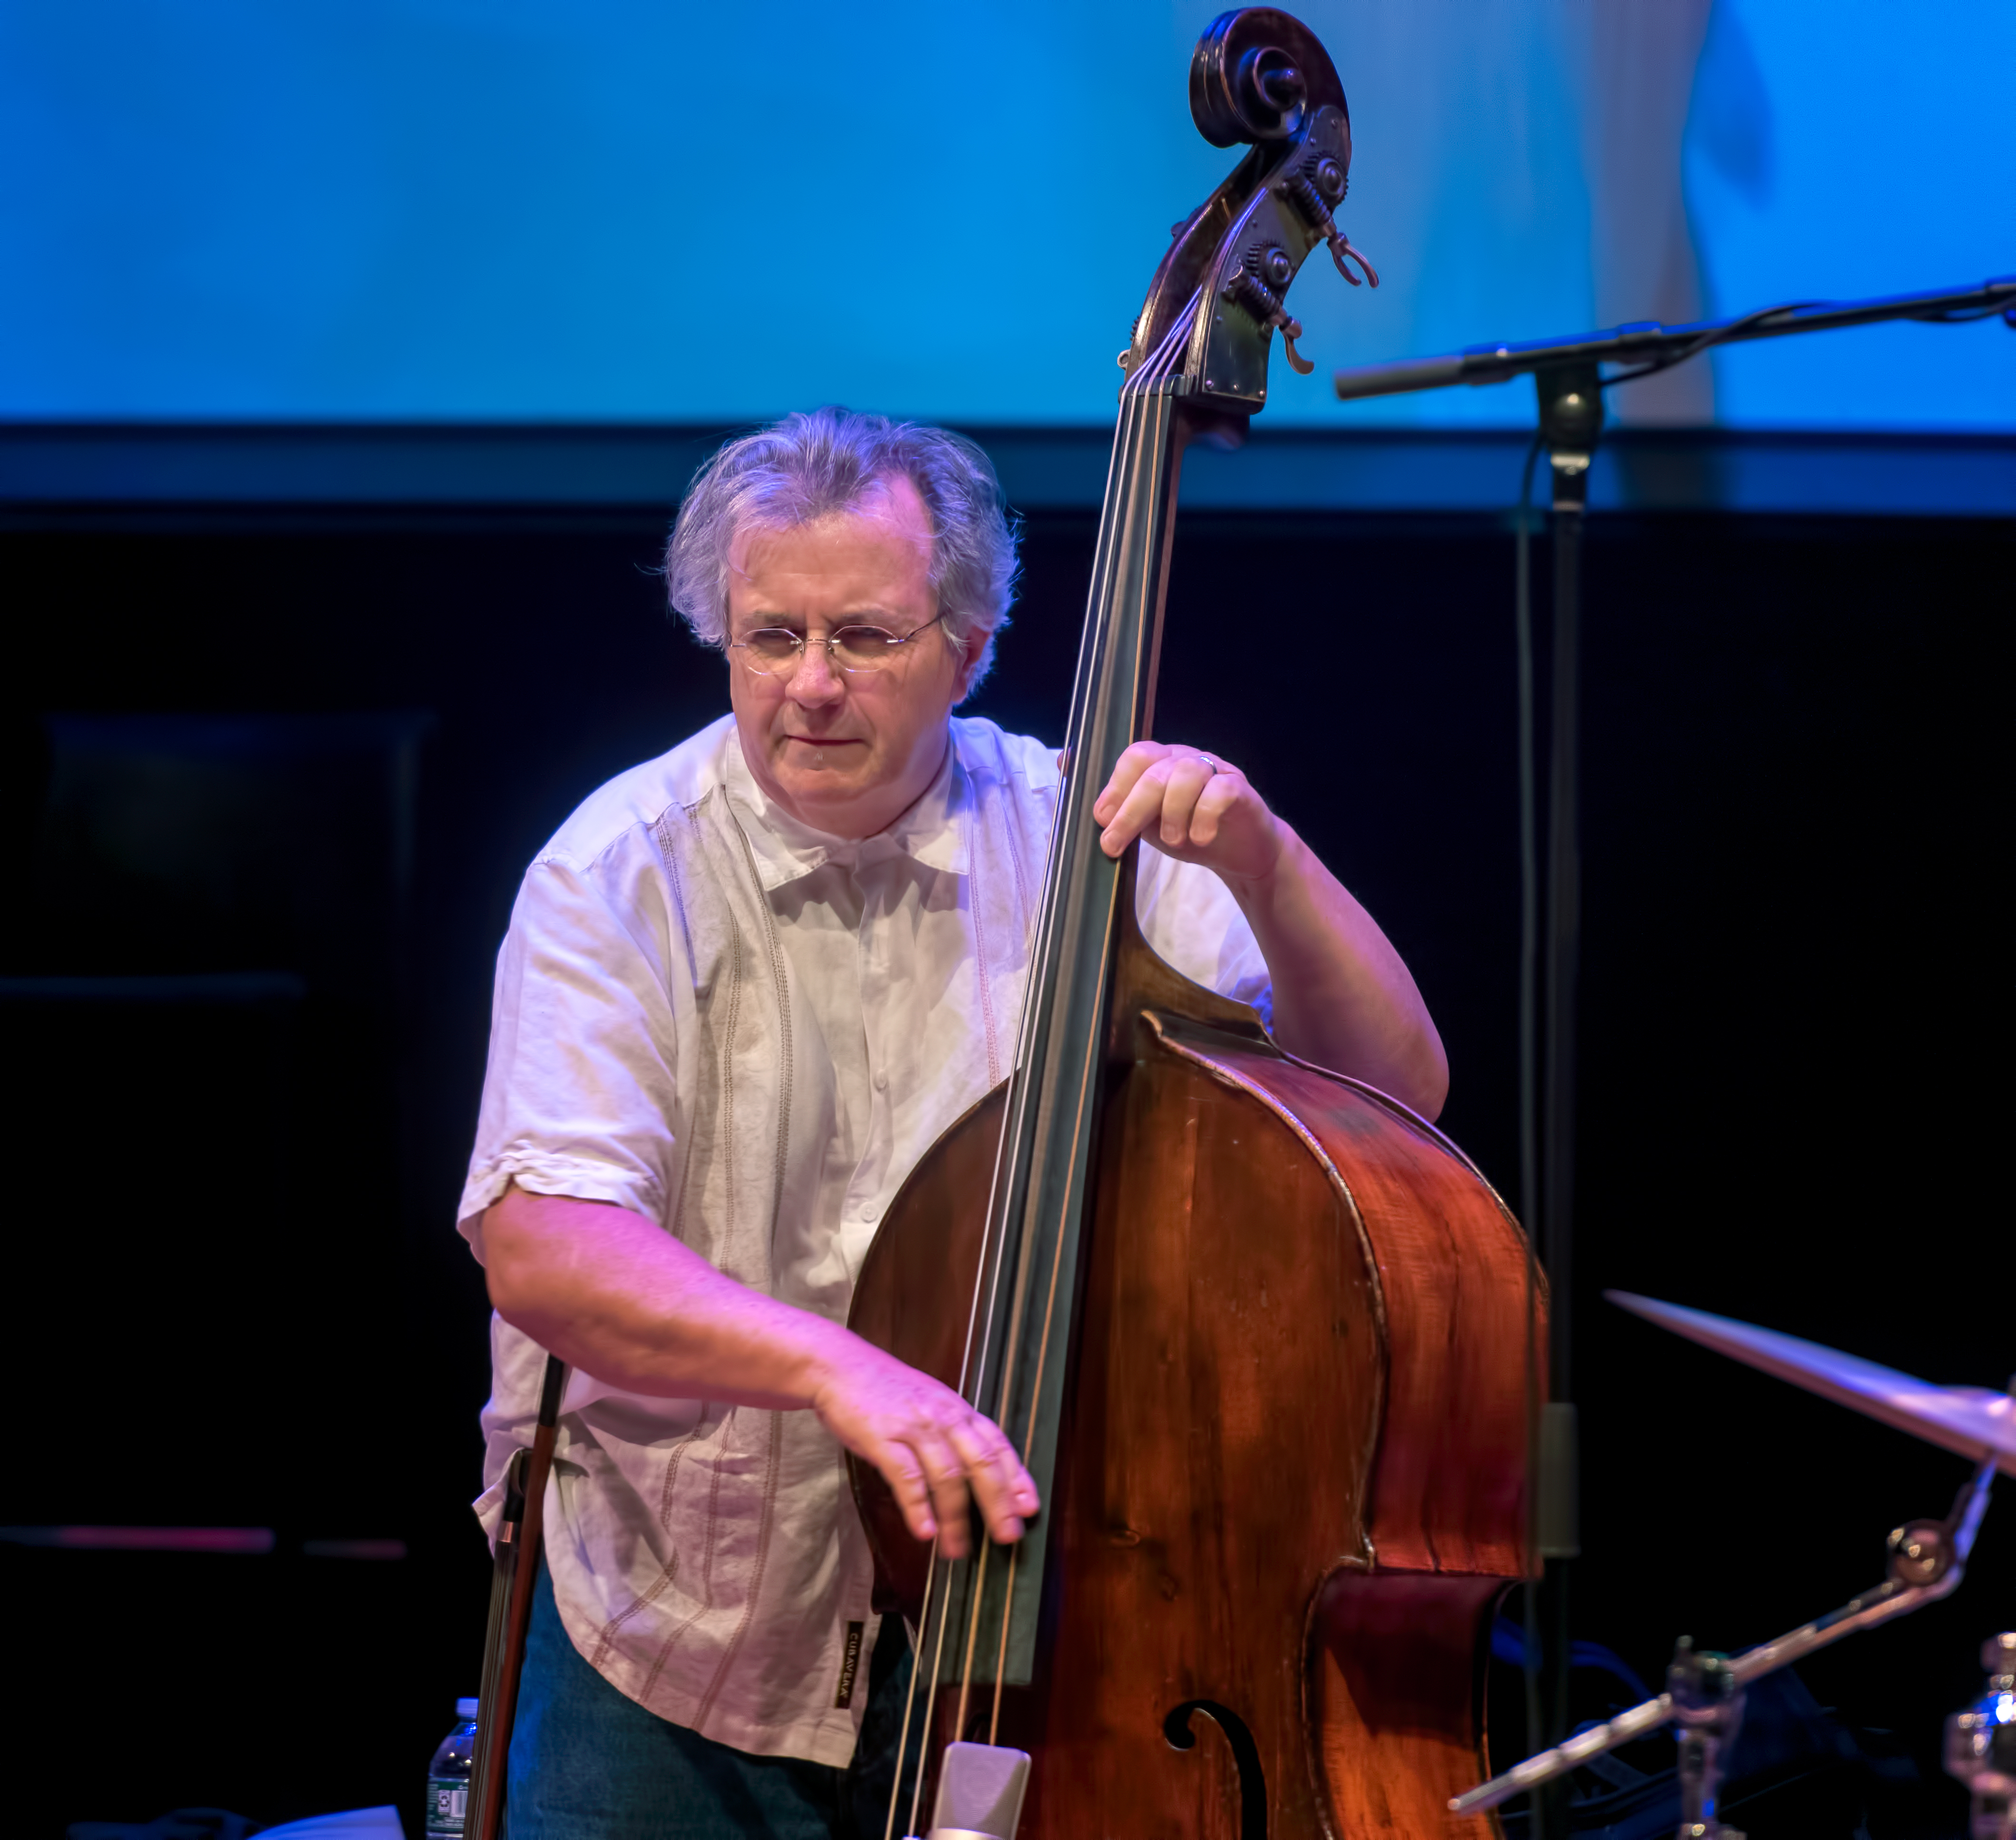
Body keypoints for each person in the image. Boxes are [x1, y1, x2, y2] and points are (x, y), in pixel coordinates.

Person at [458, 408, 1448, 1838]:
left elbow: (1391, 1107)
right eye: (768, 636)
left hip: (1049, 1630)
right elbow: (548, 1247)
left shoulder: (1078, 839)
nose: (808, 685)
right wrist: (843, 1369)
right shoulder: (615, 871)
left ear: (968, 646)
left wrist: (1267, 863)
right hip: (682, 1633)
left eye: (861, 636)